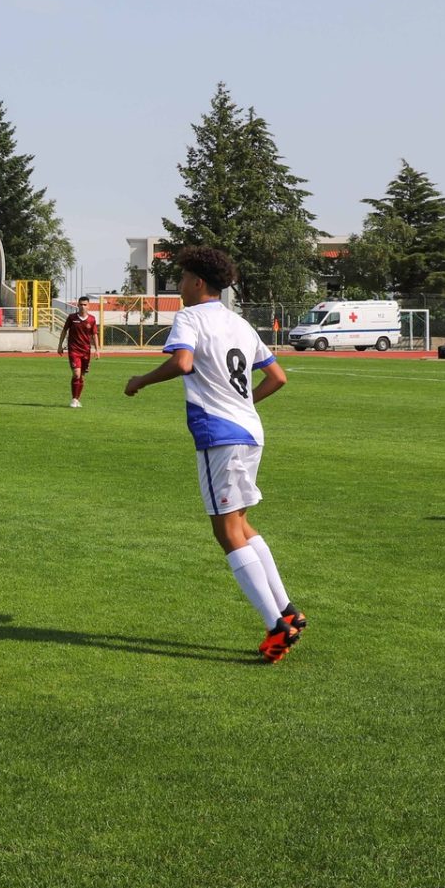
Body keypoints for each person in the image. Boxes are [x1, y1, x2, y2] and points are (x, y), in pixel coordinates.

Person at [123, 246, 303, 663]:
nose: (180, 286)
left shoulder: (190, 317)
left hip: (219, 435)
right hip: (249, 431)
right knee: (241, 522)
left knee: (226, 531)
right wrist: (245, 407)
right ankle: (288, 609)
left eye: (183, 279)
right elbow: (277, 377)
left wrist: (141, 381)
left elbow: (183, 363)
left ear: (198, 283)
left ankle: (277, 627)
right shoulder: (239, 322)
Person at [62, 295, 100, 407]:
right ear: (77, 305)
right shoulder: (72, 317)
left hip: (86, 351)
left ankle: (77, 399)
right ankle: (74, 399)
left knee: (81, 375)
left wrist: (97, 350)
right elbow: (64, 331)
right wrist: (60, 345)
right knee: (76, 374)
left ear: (89, 306)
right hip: (74, 350)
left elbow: (94, 335)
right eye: (81, 304)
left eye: (85, 305)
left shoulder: (92, 319)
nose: (83, 306)